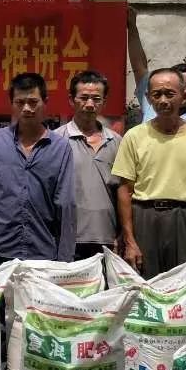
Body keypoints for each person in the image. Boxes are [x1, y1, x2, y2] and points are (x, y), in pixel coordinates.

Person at [111, 67, 186, 277]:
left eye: (170, 93)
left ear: (184, 96)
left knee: (184, 288)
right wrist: (129, 240)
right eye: (156, 94)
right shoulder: (134, 136)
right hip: (144, 218)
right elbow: (124, 190)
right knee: (146, 286)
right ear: (149, 98)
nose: (163, 100)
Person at [0, 72, 76, 266]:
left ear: (45, 102)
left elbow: (65, 204)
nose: (26, 108)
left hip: (41, 252)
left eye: (33, 102)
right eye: (19, 102)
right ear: (12, 104)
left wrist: (65, 259)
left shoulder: (60, 147)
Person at [64, 69, 123, 259]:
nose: (90, 104)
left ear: (104, 102)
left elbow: (124, 192)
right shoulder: (56, 140)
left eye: (96, 99)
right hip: (67, 238)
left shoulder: (117, 142)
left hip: (107, 238)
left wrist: (122, 235)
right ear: (71, 100)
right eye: (84, 98)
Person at [126, 6, 186, 124]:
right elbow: (139, 67)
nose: (182, 90)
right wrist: (132, 26)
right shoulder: (152, 106)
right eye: (177, 85)